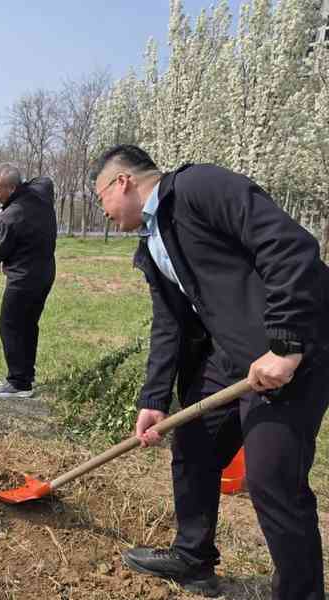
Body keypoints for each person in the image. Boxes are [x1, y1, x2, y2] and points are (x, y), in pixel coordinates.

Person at [91, 144, 329, 599]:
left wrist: (285, 342)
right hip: (235, 355)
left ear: (121, 182)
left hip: (296, 349)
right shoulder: (153, 241)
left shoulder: (198, 188)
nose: (102, 212)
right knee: (194, 442)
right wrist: (154, 399)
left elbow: (290, 247)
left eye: (99, 197)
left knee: (272, 479)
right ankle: (193, 558)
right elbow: (170, 324)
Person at [0, 163, 56, 399]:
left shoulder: (11, 217)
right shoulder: (41, 191)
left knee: (10, 326)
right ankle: (26, 377)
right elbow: (44, 179)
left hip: (24, 279)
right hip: (45, 273)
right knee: (28, 325)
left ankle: (18, 382)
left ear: (11, 189)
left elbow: (2, 250)